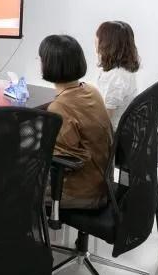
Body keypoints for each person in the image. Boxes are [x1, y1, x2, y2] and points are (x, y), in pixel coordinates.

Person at [39, 34, 112, 209]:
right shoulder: (90, 90)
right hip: (101, 182)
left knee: (13, 186)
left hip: (81, 193)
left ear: (48, 64)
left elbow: (61, 159)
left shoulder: (60, 107)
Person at [96, 21, 140, 131]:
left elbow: (103, 121)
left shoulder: (116, 77)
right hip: (122, 128)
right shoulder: (124, 71)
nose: (95, 39)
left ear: (107, 43)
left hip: (111, 134)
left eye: (98, 36)